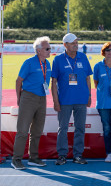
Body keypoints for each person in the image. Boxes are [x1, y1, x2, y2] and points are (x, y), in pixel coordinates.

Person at [51, 33, 93, 165]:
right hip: (64, 100)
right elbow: (54, 82)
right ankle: (62, 155)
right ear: (65, 45)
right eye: (72, 42)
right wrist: (55, 101)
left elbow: (87, 78)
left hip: (81, 99)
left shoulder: (83, 57)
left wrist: (89, 95)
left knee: (80, 128)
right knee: (62, 128)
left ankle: (78, 155)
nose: (76, 44)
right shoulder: (58, 60)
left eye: (76, 42)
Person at [11, 37, 51, 170]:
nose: (49, 50)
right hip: (28, 98)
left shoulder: (47, 64)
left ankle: (33, 157)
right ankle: (16, 159)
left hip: (42, 98)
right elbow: (18, 81)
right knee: (22, 130)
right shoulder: (29, 62)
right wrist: (19, 98)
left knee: (37, 131)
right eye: (47, 48)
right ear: (39, 50)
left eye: (49, 48)